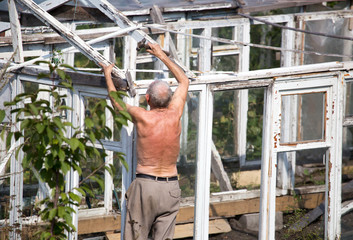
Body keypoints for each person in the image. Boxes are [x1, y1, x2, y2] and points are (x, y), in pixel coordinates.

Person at [100, 42, 189, 240]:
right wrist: (161, 55)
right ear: (170, 100)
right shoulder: (175, 114)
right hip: (170, 188)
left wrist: (108, 73)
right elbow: (184, 81)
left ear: (147, 99)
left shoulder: (142, 116)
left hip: (145, 187)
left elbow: (115, 101)